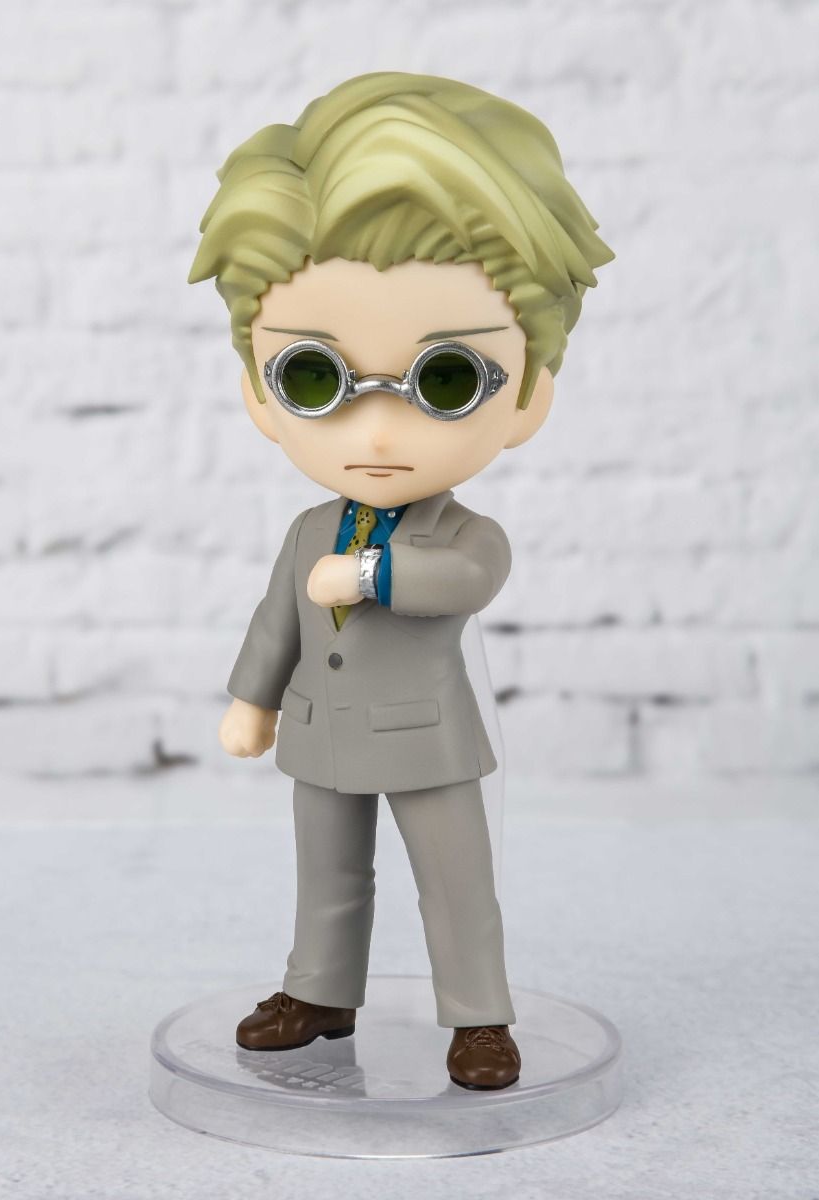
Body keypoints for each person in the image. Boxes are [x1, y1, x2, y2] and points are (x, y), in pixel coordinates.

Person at [188, 71, 612, 1090]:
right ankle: (318, 991)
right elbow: (274, 621)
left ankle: (477, 1016)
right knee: (326, 875)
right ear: (259, 394)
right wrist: (251, 700)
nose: (377, 432)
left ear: (526, 395)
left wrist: (373, 573)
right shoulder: (306, 530)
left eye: (444, 380)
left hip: (426, 742)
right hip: (319, 730)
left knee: (454, 883)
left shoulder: (467, 534)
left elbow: (460, 580)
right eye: (315, 377)